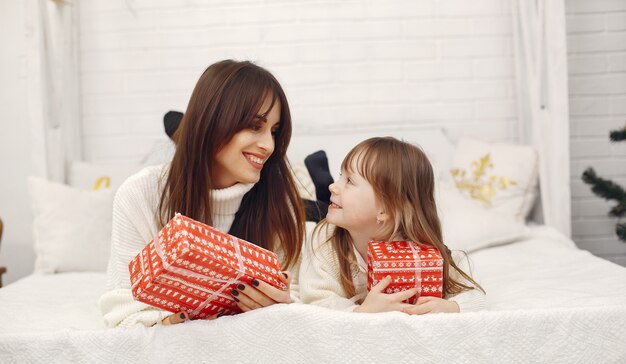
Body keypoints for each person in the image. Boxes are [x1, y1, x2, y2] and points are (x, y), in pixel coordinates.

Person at [99, 60, 306, 327]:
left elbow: (301, 300)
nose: (268, 145)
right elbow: (120, 310)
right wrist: (164, 322)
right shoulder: (141, 195)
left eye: (274, 132)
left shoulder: (279, 204)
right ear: (214, 121)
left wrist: (282, 306)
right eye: (255, 126)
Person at [299, 137, 486, 314]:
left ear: (385, 210)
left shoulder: (420, 249)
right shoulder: (324, 238)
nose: (334, 186)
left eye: (349, 181)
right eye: (341, 176)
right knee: (311, 208)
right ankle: (315, 184)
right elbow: (316, 303)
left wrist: (451, 307)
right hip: (328, 218)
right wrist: (362, 311)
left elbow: (476, 297)